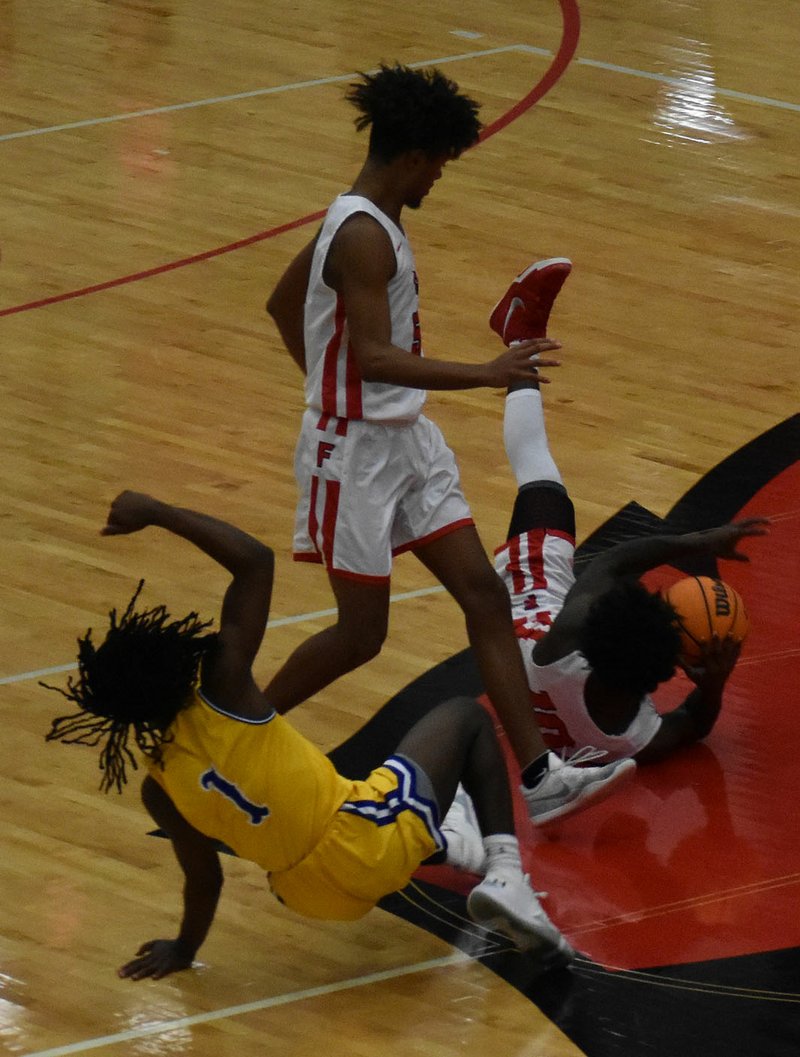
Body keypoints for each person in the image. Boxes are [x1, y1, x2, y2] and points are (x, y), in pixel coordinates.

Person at [265, 62, 634, 824]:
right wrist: (483, 372)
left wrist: (335, 384)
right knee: (362, 636)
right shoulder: (363, 234)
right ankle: (235, 724)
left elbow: (282, 305)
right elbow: (373, 356)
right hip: (357, 456)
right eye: (436, 161)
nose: (439, 175)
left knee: (486, 596)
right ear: (409, 157)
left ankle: (539, 778)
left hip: (405, 441)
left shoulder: (362, 217)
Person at [43, 490, 576, 981]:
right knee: (465, 719)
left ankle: (448, 843)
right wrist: (160, 513)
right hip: (362, 844)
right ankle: (507, 874)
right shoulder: (222, 686)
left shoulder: (159, 788)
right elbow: (254, 561)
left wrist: (183, 950)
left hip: (310, 897)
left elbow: (205, 880)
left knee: (389, 795)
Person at [486, 256, 770, 764]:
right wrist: (714, 684)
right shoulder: (628, 736)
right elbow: (694, 726)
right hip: (513, 661)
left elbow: (612, 565)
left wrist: (694, 542)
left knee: (541, 477)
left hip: (525, 600)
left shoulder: (562, 644)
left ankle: (518, 338)